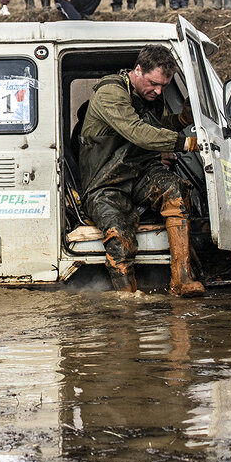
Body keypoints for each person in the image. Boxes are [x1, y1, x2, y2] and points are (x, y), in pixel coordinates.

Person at [78, 45, 202, 296]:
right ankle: (127, 303)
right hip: (104, 183)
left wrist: (181, 121)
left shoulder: (148, 96)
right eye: (154, 83)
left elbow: (154, 126)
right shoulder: (110, 92)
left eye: (164, 86)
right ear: (137, 70)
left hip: (139, 174)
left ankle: (182, 280)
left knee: (176, 190)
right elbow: (137, 132)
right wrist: (185, 142)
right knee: (119, 237)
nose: (158, 91)